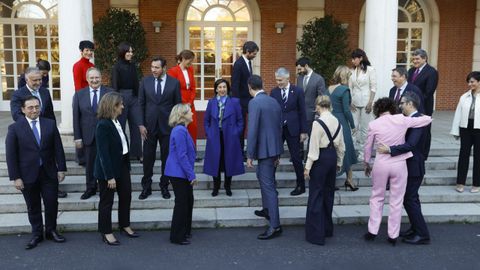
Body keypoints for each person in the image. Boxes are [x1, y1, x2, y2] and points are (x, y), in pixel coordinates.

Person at [363, 98, 431, 245]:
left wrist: (366, 163)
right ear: (392, 108)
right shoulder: (401, 119)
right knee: (396, 200)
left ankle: (372, 231)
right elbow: (426, 120)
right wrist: (419, 114)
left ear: (377, 110)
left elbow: (368, 147)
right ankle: (393, 235)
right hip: (399, 163)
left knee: (377, 197)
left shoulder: (373, 124)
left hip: (381, 163)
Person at [6, 96, 67, 250]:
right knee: (33, 206)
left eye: (36, 107)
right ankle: (37, 234)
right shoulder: (15, 128)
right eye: (30, 107)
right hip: (27, 175)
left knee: (52, 203)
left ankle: (51, 230)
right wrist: (16, 177)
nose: (34, 110)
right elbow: (11, 155)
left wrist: (61, 168)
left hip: (48, 173)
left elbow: (58, 148)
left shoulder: (50, 124)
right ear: (23, 109)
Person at [10, 67, 67, 199]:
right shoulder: (18, 94)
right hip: (29, 133)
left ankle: (53, 187)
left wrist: (52, 129)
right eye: (34, 80)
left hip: (46, 131)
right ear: (26, 79)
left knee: (49, 157)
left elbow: (50, 113)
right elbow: (16, 115)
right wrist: (32, 123)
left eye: (40, 79)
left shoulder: (45, 92)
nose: (38, 82)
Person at [94, 92, 139, 246]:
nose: (123, 107)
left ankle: (124, 225)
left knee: (126, 197)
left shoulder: (117, 121)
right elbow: (103, 153)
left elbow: (122, 145)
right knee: (107, 202)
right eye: (120, 104)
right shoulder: (103, 125)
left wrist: (127, 166)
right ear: (113, 106)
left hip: (122, 167)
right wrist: (109, 177)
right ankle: (106, 231)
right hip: (108, 171)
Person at [138, 57, 182, 200]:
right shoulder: (145, 82)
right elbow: (141, 104)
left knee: (167, 159)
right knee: (148, 159)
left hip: (168, 127)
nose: (153, 70)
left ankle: (164, 186)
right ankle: (146, 187)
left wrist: (176, 125)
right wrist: (141, 124)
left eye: (156, 67)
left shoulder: (174, 83)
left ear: (164, 68)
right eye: (152, 67)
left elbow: (178, 106)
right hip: (148, 128)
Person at [246, 75, 284, 240]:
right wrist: (278, 152)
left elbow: (252, 129)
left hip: (264, 150)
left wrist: (249, 155)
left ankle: (275, 225)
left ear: (250, 87)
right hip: (273, 149)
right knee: (264, 179)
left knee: (268, 187)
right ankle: (266, 210)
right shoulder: (273, 101)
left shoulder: (254, 102)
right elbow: (279, 126)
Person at [304, 96, 345, 245]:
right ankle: (327, 229)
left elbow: (313, 148)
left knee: (316, 194)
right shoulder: (337, 121)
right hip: (332, 157)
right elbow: (341, 145)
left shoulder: (317, 123)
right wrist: (339, 161)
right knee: (328, 194)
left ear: (317, 106)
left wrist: (307, 167)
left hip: (320, 159)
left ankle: (316, 234)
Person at [73, 67, 112, 200]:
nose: (94, 80)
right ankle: (90, 188)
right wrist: (77, 137)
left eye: (97, 78)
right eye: (92, 78)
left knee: (105, 161)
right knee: (89, 164)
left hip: (106, 135)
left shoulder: (110, 93)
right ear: (87, 79)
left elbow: (116, 115)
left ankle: (105, 187)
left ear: (101, 78)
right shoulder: (79, 95)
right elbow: (76, 117)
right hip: (87, 135)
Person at [203, 79, 244, 197]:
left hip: (230, 136)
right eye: (220, 87)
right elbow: (206, 121)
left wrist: (236, 132)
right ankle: (216, 187)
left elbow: (240, 120)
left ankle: (227, 186)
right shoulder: (211, 102)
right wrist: (209, 133)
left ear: (227, 89)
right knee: (215, 161)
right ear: (216, 89)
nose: (222, 89)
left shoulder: (235, 102)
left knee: (228, 161)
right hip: (215, 136)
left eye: (224, 87)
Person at [270, 67, 307, 196]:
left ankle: (301, 185)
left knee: (296, 158)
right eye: (277, 80)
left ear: (287, 78)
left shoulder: (297, 91)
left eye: (280, 80)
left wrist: (303, 131)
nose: (278, 82)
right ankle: (271, 185)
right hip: (278, 129)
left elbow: (302, 111)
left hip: (294, 129)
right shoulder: (274, 92)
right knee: (274, 157)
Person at [165, 104, 197, 245]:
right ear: (183, 115)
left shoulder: (182, 129)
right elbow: (182, 155)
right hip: (178, 173)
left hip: (181, 172)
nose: (192, 114)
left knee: (187, 202)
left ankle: (184, 231)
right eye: (190, 112)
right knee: (182, 204)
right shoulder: (179, 130)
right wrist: (191, 175)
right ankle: (177, 236)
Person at [110, 42, 142, 162]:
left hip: (134, 98)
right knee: (121, 126)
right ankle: (123, 153)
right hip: (121, 97)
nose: (131, 54)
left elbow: (136, 83)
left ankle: (137, 153)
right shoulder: (116, 67)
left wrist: (139, 98)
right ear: (122, 52)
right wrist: (117, 101)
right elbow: (115, 86)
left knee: (136, 125)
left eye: (131, 51)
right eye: (128, 51)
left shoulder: (133, 66)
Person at [327, 66, 358, 191]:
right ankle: (349, 179)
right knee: (347, 149)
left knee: (333, 150)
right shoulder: (345, 90)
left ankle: (336, 180)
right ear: (345, 76)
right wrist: (352, 125)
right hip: (341, 122)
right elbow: (346, 110)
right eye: (349, 76)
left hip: (329, 121)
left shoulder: (328, 88)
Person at [450, 71, 480, 193]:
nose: (469, 84)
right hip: (466, 128)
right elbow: (458, 114)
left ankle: (477, 184)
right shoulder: (464, 97)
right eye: (469, 81)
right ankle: (460, 182)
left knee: (478, 157)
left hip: (479, 129)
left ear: (479, 82)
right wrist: (455, 130)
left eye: (472, 81)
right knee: (463, 155)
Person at [408, 49, 438, 160]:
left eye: (417, 59)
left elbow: (429, 91)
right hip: (410, 107)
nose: (415, 61)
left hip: (424, 107)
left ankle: (424, 154)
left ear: (424, 59)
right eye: (414, 59)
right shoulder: (411, 71)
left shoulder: (431, 72)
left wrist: (415, 104)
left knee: (425, 131)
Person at [232, 41, 259, 157]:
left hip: (249, 100)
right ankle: (239, 152)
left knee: (254, 124)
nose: (255, 56)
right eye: (254, 53)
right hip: (241, 102)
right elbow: (235, 85)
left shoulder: (248, 62)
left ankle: (253, 150)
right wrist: (237, 103)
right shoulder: (238, 64)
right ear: (247, 52)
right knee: (241, 127)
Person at [296, 57, 326, 159]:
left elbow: (321, 96)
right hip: (299, 112)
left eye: (300, 69)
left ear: (307, 66)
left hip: (312, 112)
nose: (298, 71)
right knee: (298, 134)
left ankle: (309, 156)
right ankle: (299, 155)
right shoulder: (299, 78)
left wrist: (318, 111)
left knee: (311, 136)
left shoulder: (318, 79)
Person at [167, 50, 198, 150]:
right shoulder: (172, 71)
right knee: (181, 127)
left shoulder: (190, 70)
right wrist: (184, 103)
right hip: (179, 103)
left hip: (190, 103)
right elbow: (174, 89)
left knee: (193, 127)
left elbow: (193, 87)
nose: (191, 63)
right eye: (190, 60)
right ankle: (181, 150)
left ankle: (192, 150)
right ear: (184, 59)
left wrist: (190, 101)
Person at [349, 49, 376, 161]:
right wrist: (350, 102)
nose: (352, 61)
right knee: (353, 128)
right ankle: (352, 152)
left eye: (354, 58)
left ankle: (363, 153)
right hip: (354, 103)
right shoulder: (352, 71)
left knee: (365, 129)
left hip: (366, 103)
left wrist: (370, 102)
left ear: (360, 58)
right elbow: (350, 87)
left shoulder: (370, 70)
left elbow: (373, 87)